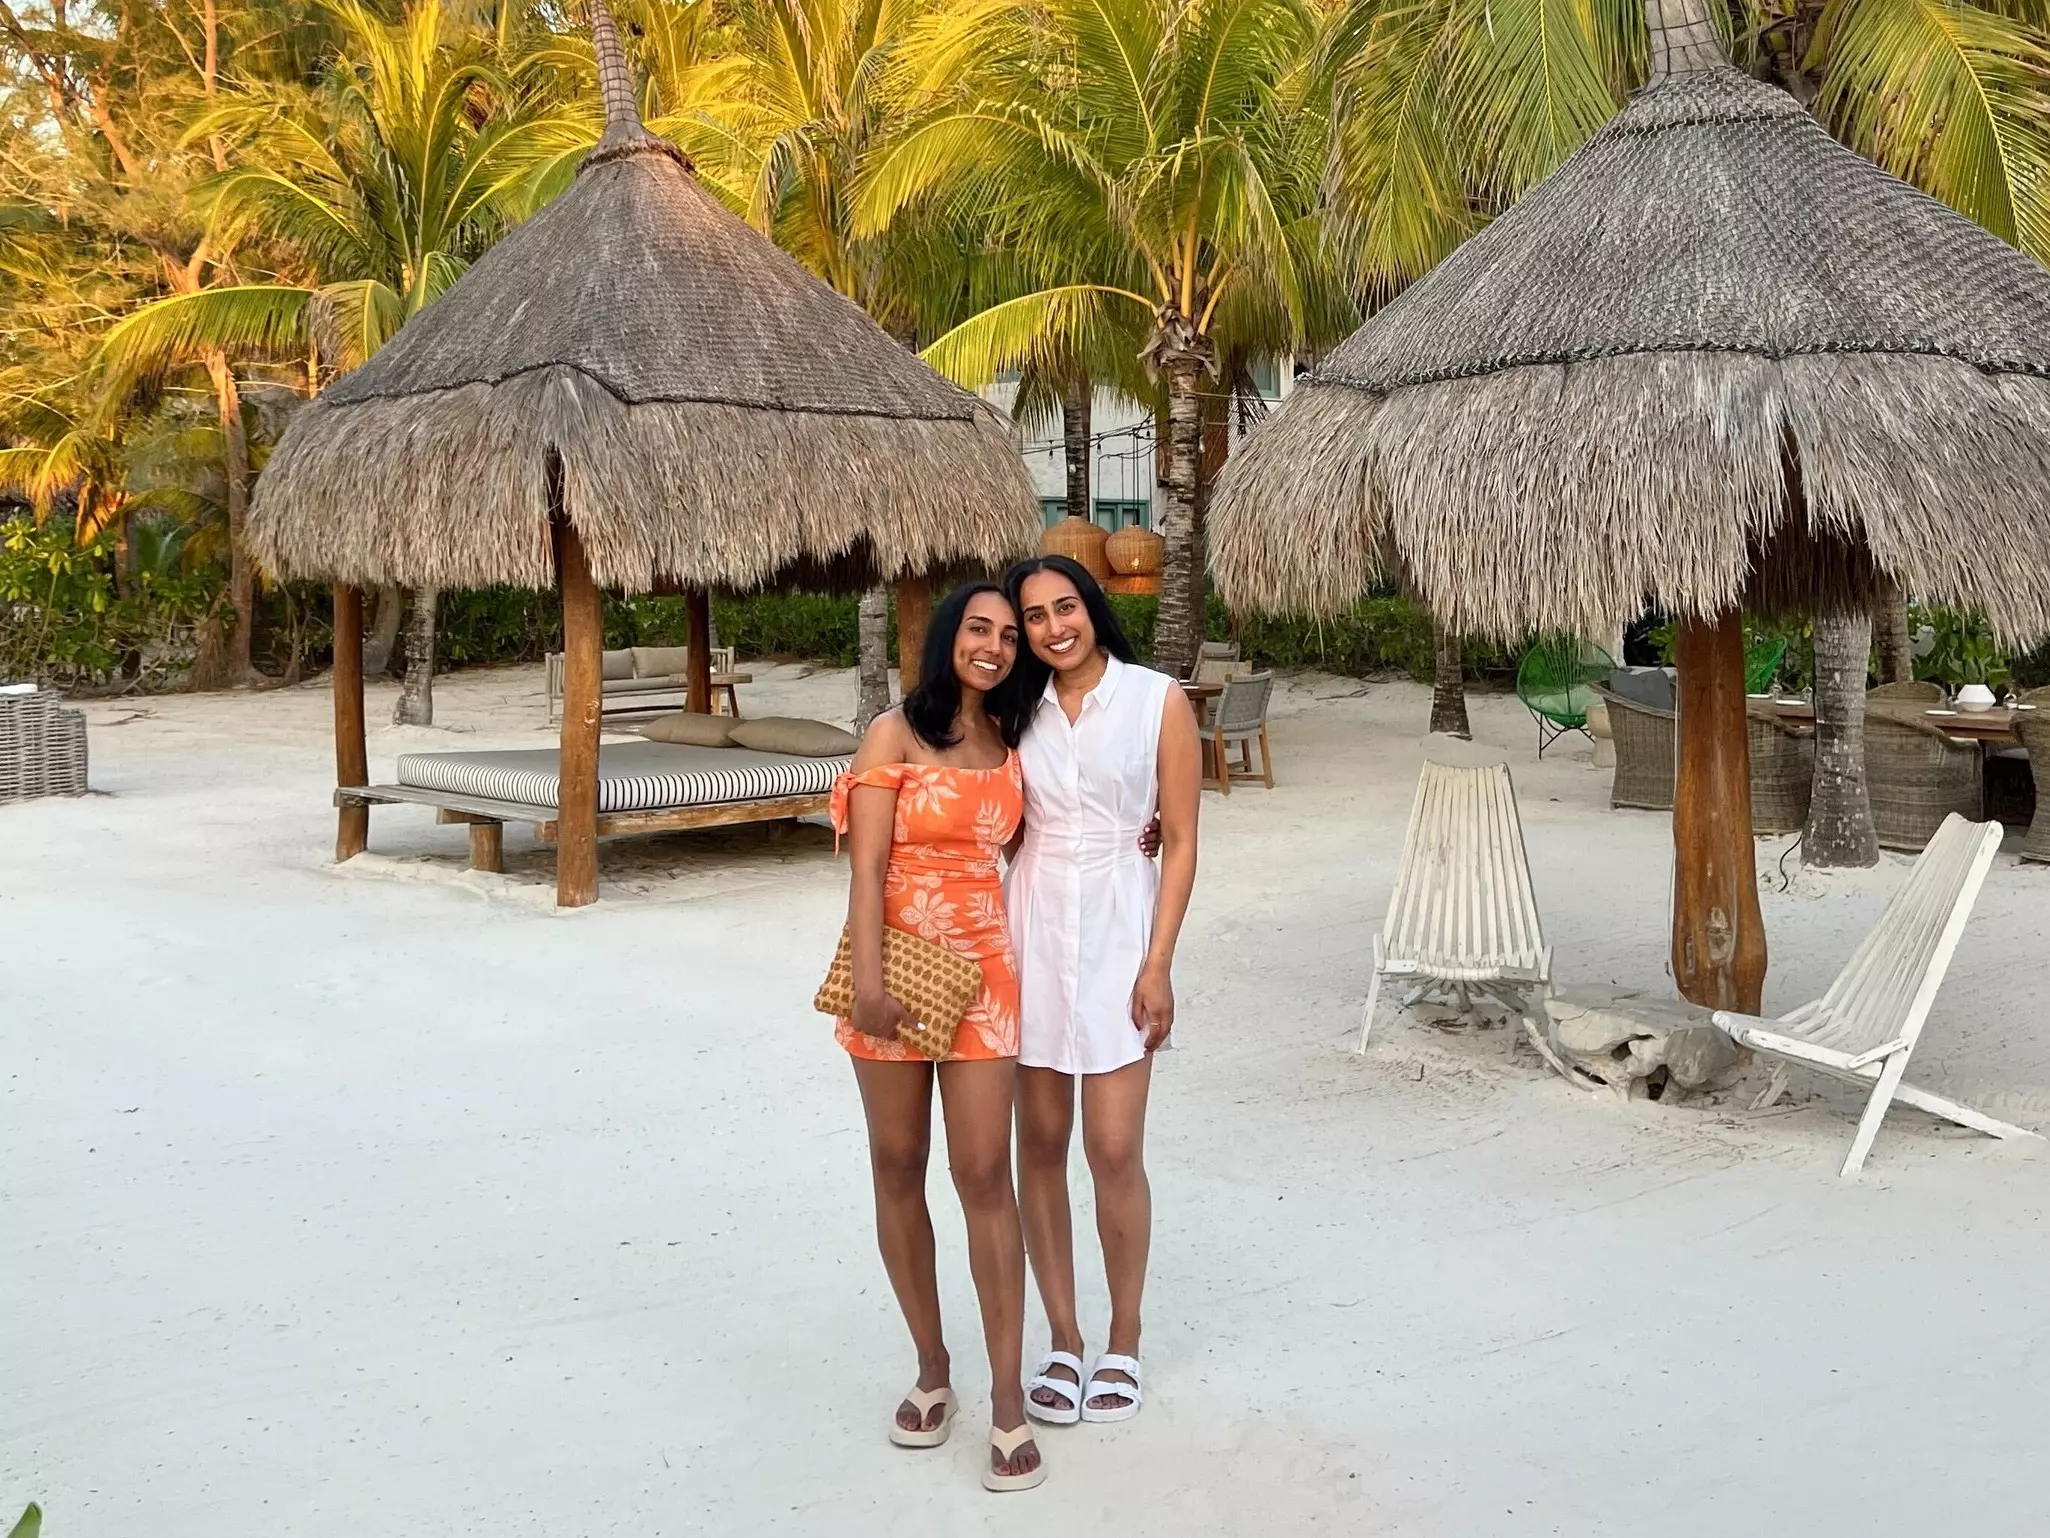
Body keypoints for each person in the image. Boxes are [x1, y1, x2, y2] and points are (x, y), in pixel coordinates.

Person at [832, 582, 1045, 1493]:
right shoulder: (895, 732)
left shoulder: (1015, 740)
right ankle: (931, 1367)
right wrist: (870, 984)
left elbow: (1059, 832)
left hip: (987, 976)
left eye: (1006, 635)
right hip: (895, 970)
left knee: (985, 1174)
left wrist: (1146, 833)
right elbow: (869, 864)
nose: (993, 645)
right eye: (978, 629)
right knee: (895, 1162)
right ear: (948, 638)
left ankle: (1007, 1399)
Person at [1001, 555, 1202, 1427]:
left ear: (1092, 607)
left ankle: (1124, 1337)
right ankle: (1065, 1339)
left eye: (1065, 607)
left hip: (1123, 930)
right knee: (1038, 1147)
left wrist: (1158, 963)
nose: (1053, 627)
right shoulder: (1012, 711)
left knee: (1113, 1150)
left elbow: (1183, 840)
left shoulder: (1159, 700)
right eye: (1034, 617)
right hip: (1032, 933)